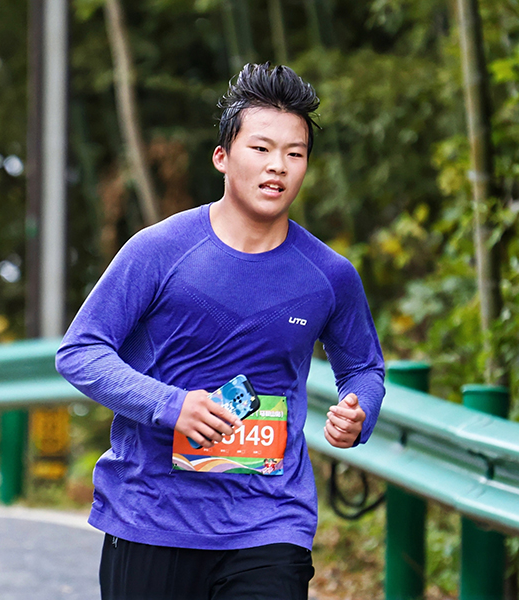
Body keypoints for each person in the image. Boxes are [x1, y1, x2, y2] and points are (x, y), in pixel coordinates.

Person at [56, 63, 385, 600]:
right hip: (154, 514)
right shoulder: (158, 251)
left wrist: (359, 408)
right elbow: (81, 352)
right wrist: (171, 405)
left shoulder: (328, 276)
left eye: (295, 153)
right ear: (223, 158)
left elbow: (364, 368)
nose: (278, 166)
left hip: (270, 520)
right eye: (261, 149)